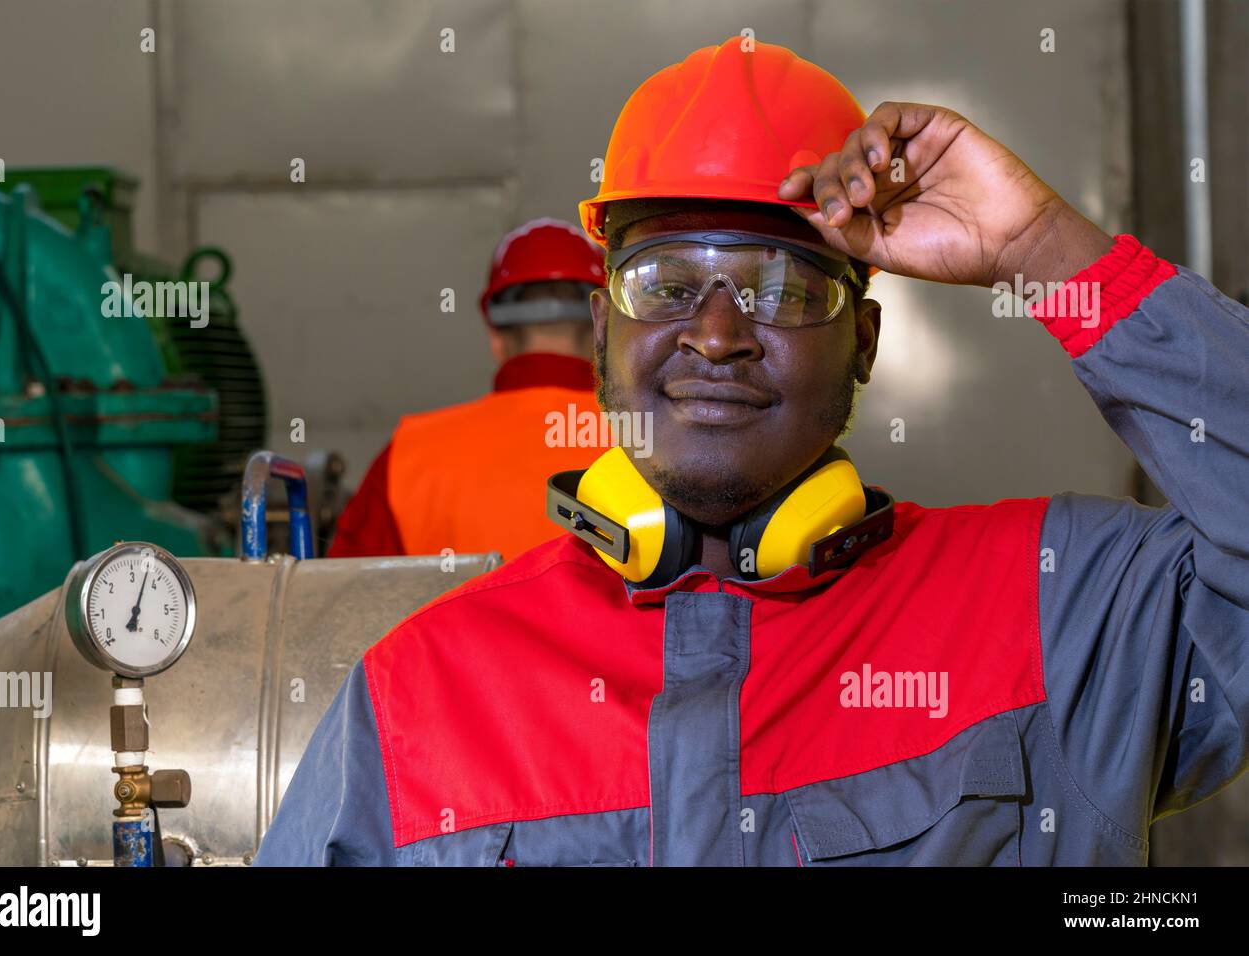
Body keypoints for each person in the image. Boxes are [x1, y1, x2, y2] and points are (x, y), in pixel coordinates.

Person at [257, 36, 1249, 866]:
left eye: (782, 286)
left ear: (863, 343)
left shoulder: (1061, 610)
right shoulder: (420, 695)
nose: (719, 334)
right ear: (603, 337)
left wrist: (1041, 250)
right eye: (666, 280)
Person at [328, 218, 607, 560]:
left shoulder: (408, 456)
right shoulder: (651, 442)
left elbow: (348, 600)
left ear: (495, 337)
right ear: (603, 331)